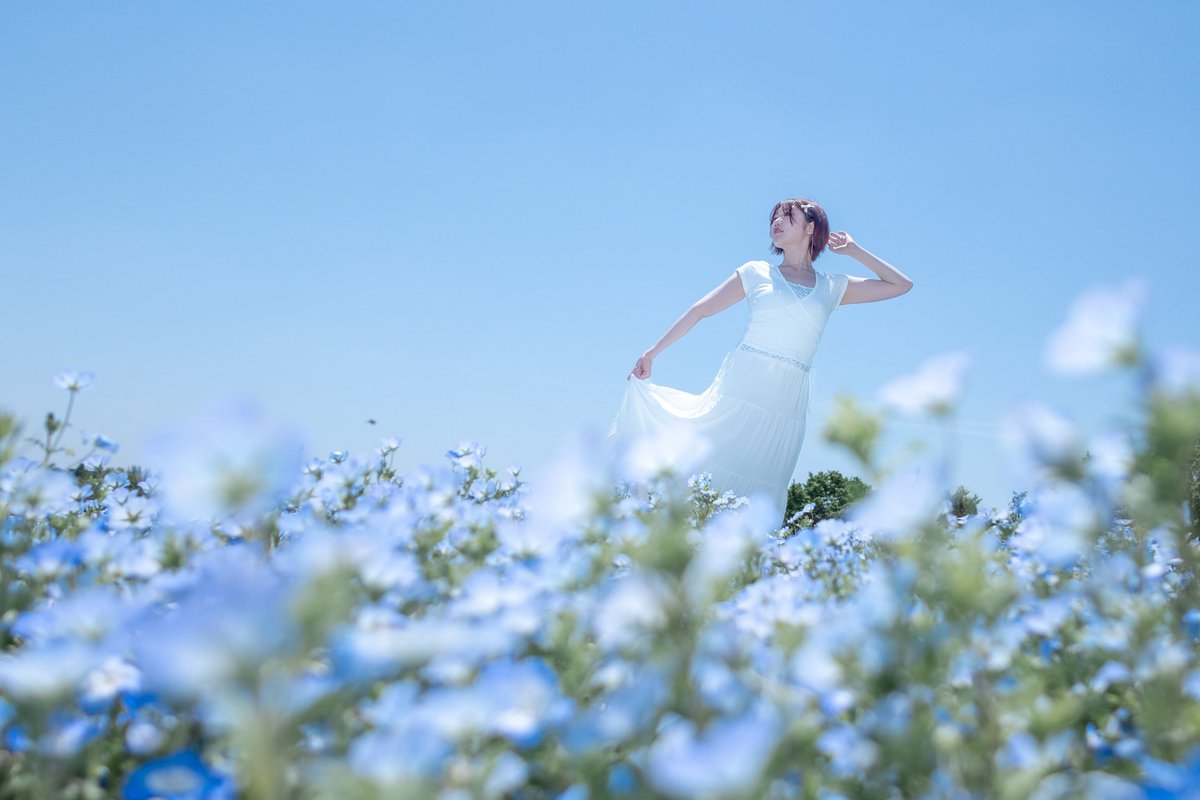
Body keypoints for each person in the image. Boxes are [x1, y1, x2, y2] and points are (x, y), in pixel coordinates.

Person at [604, 197, 914, 525]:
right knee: (711, 459)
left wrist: (855, 251)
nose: (776, 223)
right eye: (774, 217)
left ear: (811, 228)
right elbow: (701, 309)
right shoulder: (756, 272)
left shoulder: (832, 287)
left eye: (788, 217)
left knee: (761, 485)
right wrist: (652, 352)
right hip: (744, 383)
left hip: (787, 400)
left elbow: (901, 285)